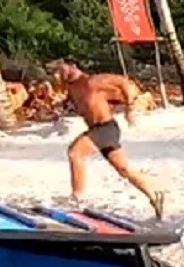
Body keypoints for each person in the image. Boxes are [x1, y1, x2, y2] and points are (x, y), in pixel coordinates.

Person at [50, 60, 165, 220]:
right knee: (124, 169)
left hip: (105, 128)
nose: (58, 72)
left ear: (72, 66)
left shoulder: (92, 81)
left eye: (60, 67)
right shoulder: (72, 88)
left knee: (76, 154)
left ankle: (77, 199)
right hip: (100, 130)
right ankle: (154, 194)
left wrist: (129, 108)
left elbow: (122, 81)